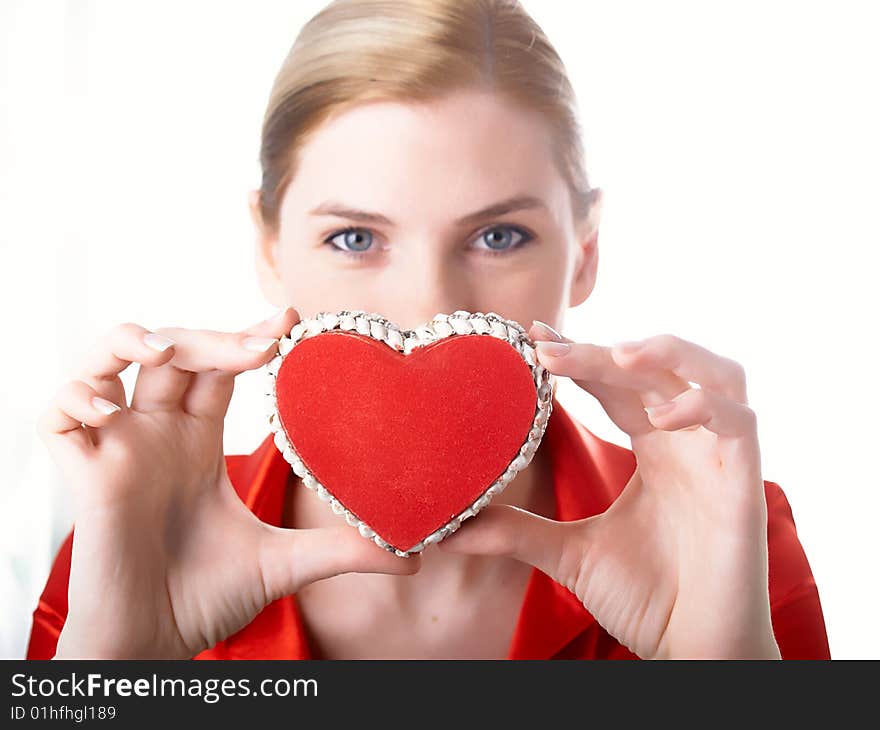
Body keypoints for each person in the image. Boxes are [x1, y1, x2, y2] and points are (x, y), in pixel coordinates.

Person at [26, 0, 830, 660]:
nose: (427, 310)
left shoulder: (732, 542)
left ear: (585, 253)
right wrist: (116, 669)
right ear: (270, 251)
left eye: (499, 236)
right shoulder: (126, 546)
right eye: (354, 239)